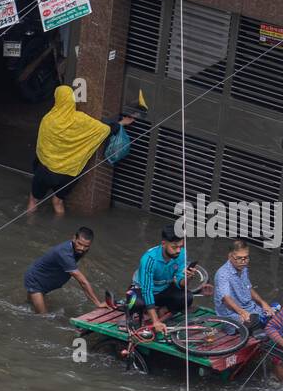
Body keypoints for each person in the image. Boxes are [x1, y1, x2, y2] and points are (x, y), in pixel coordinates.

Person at [27, 85, 134, 216]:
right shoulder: (81, 119)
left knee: (33, 200)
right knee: (58, 202)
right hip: (68, 174)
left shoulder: (48, 119)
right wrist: (121, 123)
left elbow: (42, 145)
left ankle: (29, 221)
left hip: (45, 170)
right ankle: (59, 228)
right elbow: (104, 129)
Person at [127, 225, 205, 336]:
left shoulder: (181, 253)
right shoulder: (149, 259)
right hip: (142, 290)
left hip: (163, 289)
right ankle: (146, 315)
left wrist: (188, 277)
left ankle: (162, 310)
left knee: (187, 297)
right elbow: (147, 290)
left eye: (180, 246)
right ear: (164, 244)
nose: (178, 250)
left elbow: (180, 284)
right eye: (174, 247)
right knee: (136, 302)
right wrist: (155, 321)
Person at [23, 227, 105, 314]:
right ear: (74, 238)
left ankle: (27, 304)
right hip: (36, 281)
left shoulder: (80, 249)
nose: (82, 248)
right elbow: (83, 282)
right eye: (80, 244)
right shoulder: (64, 253)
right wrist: (98, 303)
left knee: (30, 303)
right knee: (43, 316)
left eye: (86, 246)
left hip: (45, 279)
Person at [213, 239, 277, 332]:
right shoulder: (222, 274)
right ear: (230, 256)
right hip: (232, 315)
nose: (243, 261)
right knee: (257, 322)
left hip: (250, 308)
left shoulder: (243, 268)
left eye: (246, 258)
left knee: (276, 311)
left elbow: (248, 288)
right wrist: (242, 312)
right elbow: (226, 299)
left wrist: (263, 303)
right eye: (239, 258)